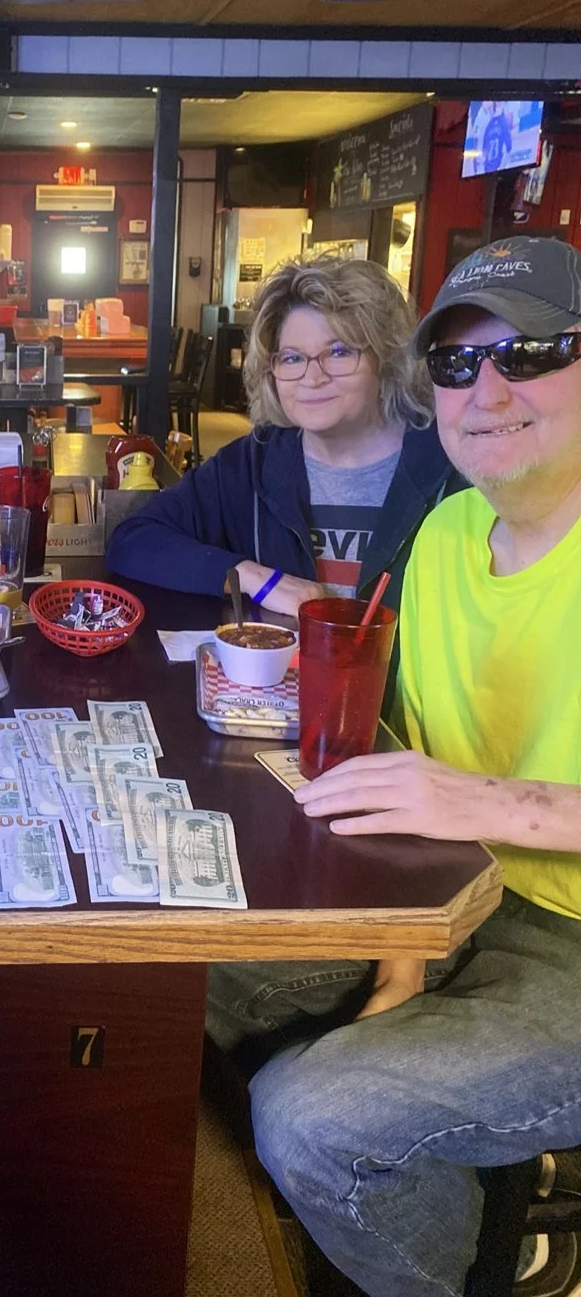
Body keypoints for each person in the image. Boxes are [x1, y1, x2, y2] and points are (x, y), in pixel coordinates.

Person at [207, 235, 581, 1297]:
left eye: (532, 353)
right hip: (462, 897)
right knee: (183, 960)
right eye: (458, 363)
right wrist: (400, 963)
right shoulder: (449, 536)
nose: (488, 391)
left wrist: (491, 803)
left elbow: (453, 792)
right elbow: (421, 785)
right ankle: (495, 1189)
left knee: (311, 1120)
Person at [107, 255, 464, 618]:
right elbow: (132, 540)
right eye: (292, 358)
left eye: (339, 352)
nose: (313, 377)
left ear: (386, 358)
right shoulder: (251, 465)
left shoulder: (453, 469)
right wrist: (255, 578)